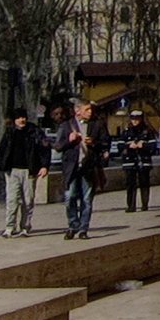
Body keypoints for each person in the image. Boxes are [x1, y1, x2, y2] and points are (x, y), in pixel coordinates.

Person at [0, 107, 46, 237]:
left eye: (23, 117)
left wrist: (44, 166)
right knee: (12, 200)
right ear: (14, 120)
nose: (21, 120)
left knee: (28, 200)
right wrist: (2, 165)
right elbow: (3, 150)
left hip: (29, 170)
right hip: (12, 171)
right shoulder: (9, 132)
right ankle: (9, 227)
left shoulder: (34, 131)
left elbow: (44, 148)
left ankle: (25, 227)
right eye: (18, 118)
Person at [62, 101, 104, 239]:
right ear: (77, 111)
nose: (90, 112)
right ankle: (73, 225)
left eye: (90, 109)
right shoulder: (67, 125)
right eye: (87, 109)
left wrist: (94, 143)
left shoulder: (97, 125)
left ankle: (83, 229)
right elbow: (58, 145)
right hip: (72, 168)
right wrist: (69, 140)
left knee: (87, 200)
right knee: (70, 197)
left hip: (88, 167)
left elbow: (105, 143)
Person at [118, 114, 159, 213]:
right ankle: (131, 206)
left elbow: (153, 146)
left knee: (144, 183)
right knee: (130, 184)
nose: (135, 121)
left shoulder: (147, 131)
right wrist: (129, 146)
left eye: (137, 119)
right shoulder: (126, 132)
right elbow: (120, 146)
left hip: (143, 161)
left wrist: (143, 145)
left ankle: (145, 204)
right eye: (133, 119)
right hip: (129, 161)